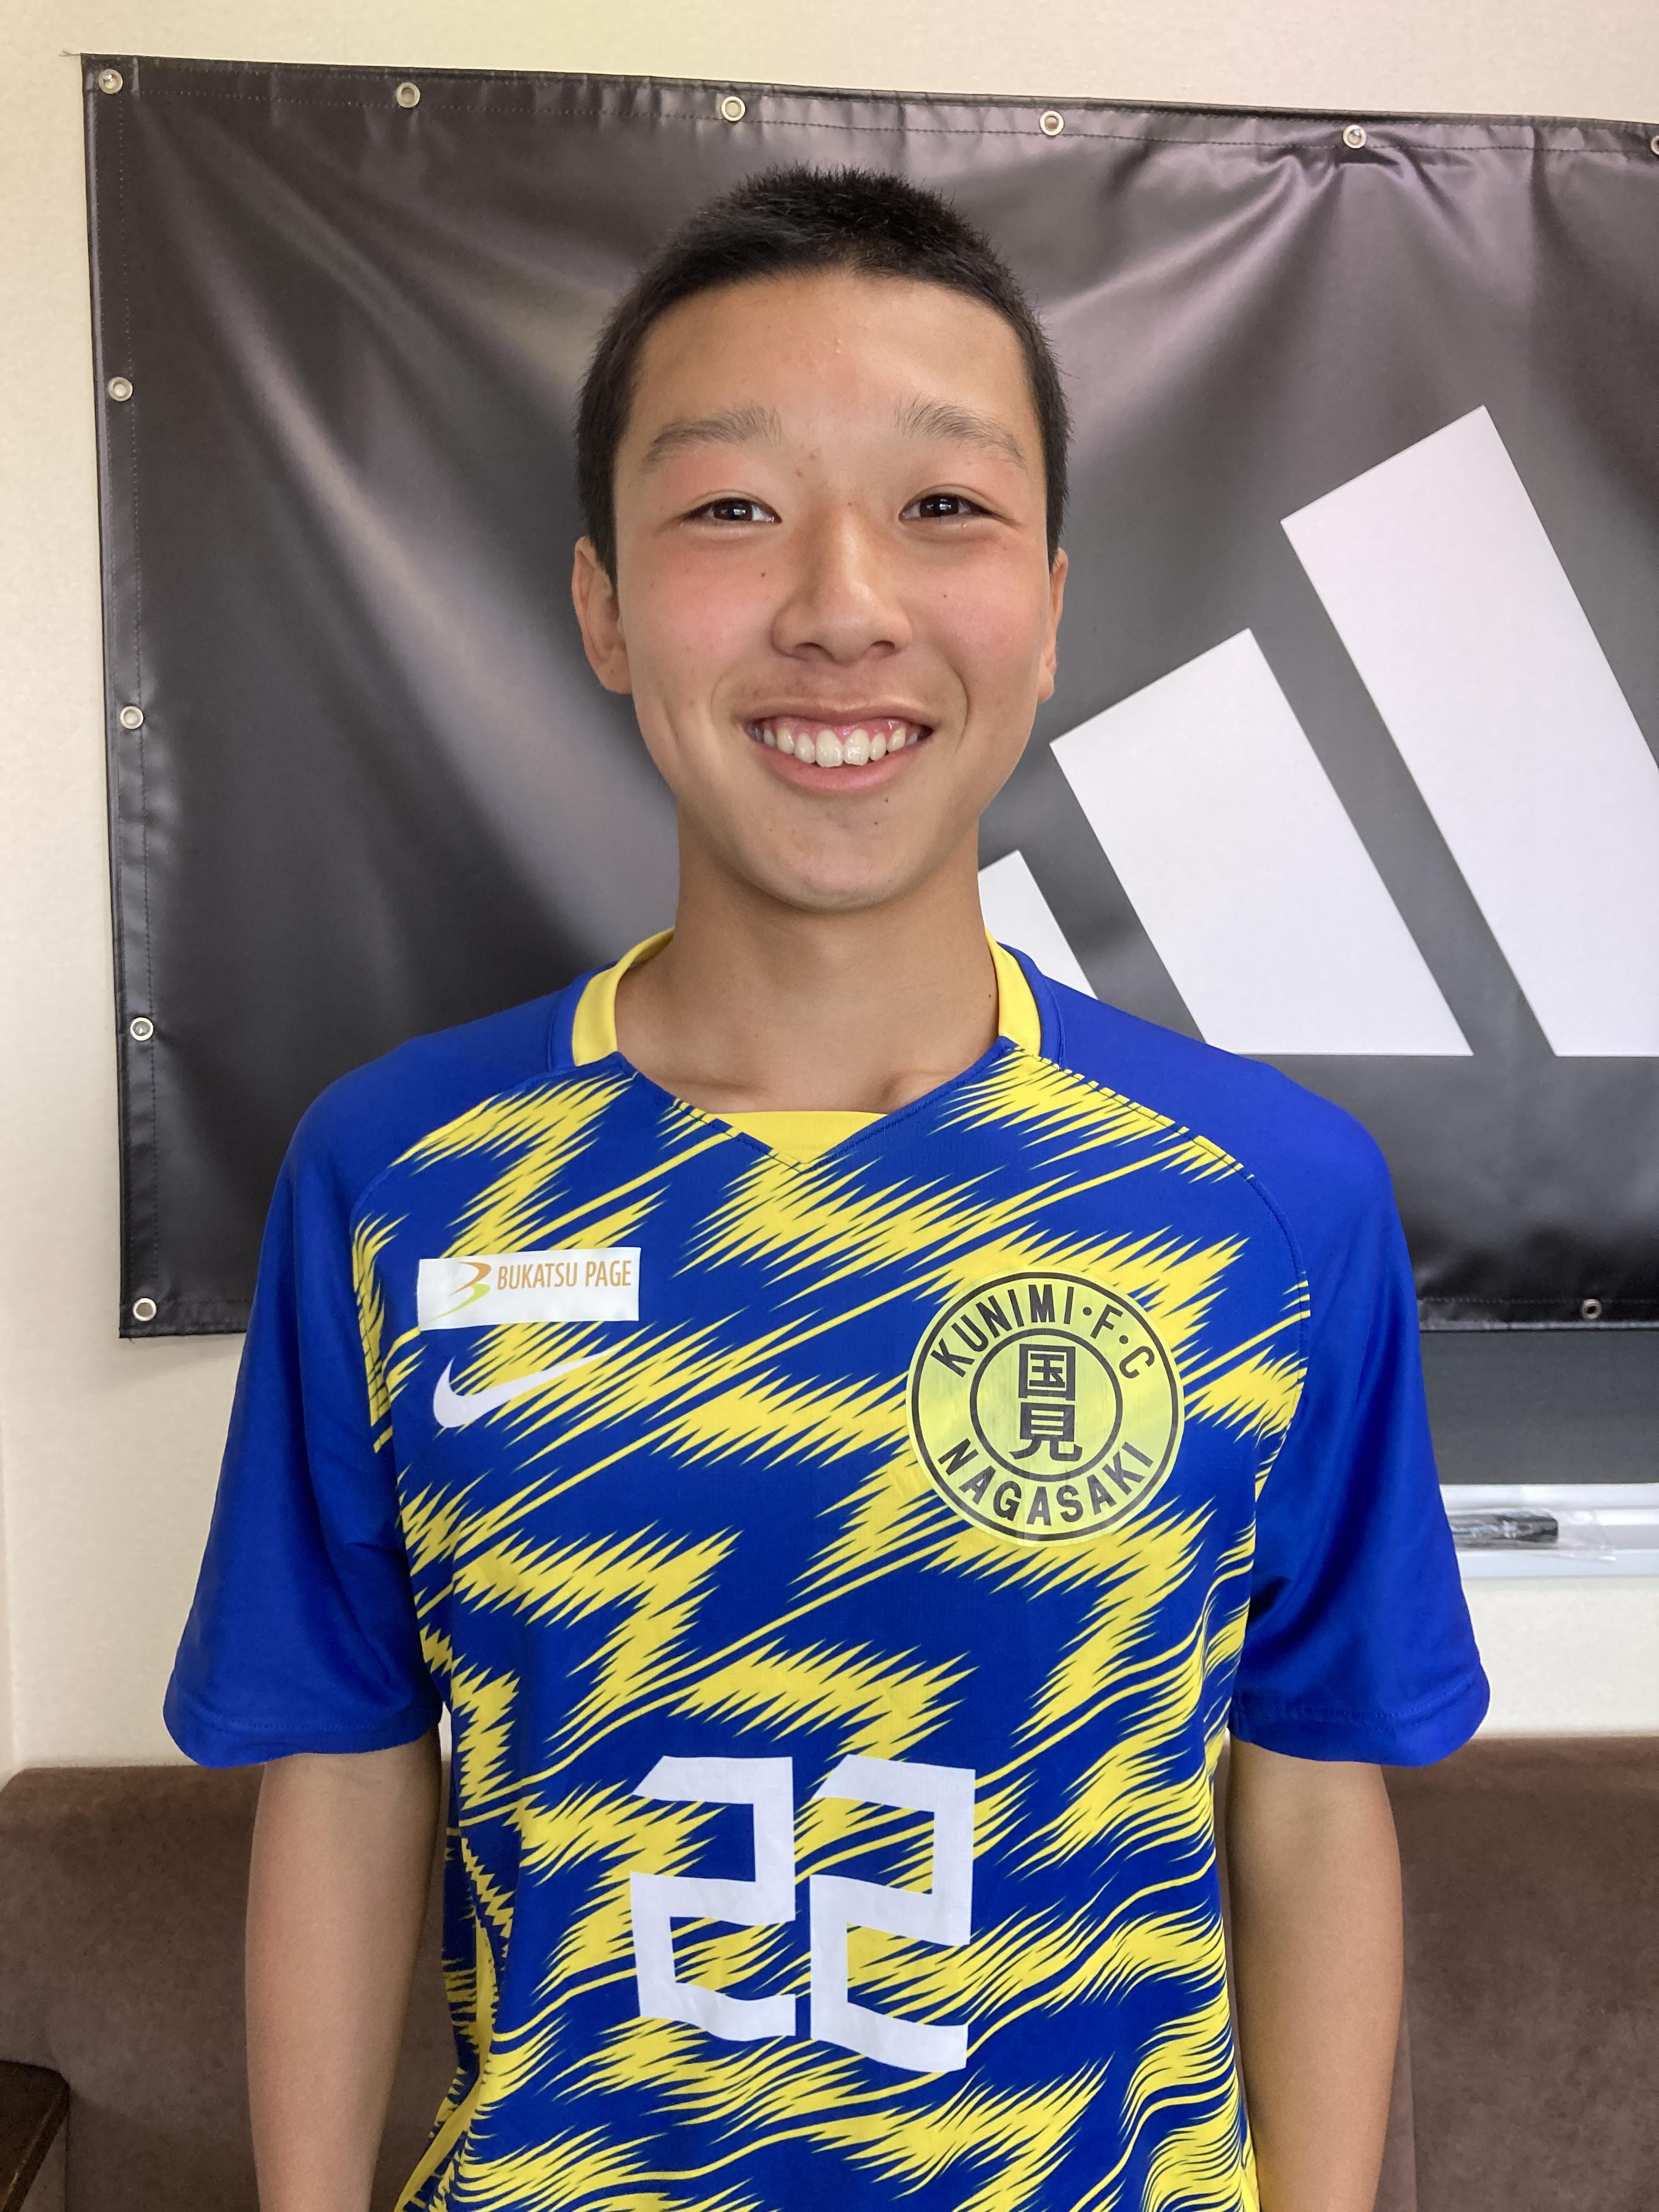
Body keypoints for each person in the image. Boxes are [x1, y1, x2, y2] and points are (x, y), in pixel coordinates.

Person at [166, 165, 1487, 2212]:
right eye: (731, 508)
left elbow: (1311, 1804)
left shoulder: (1268, 1203)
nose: (843, 602)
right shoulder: (397, 1177)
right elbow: (344, 1771)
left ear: (1052, 601)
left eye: (944, 504)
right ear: (605, 605)